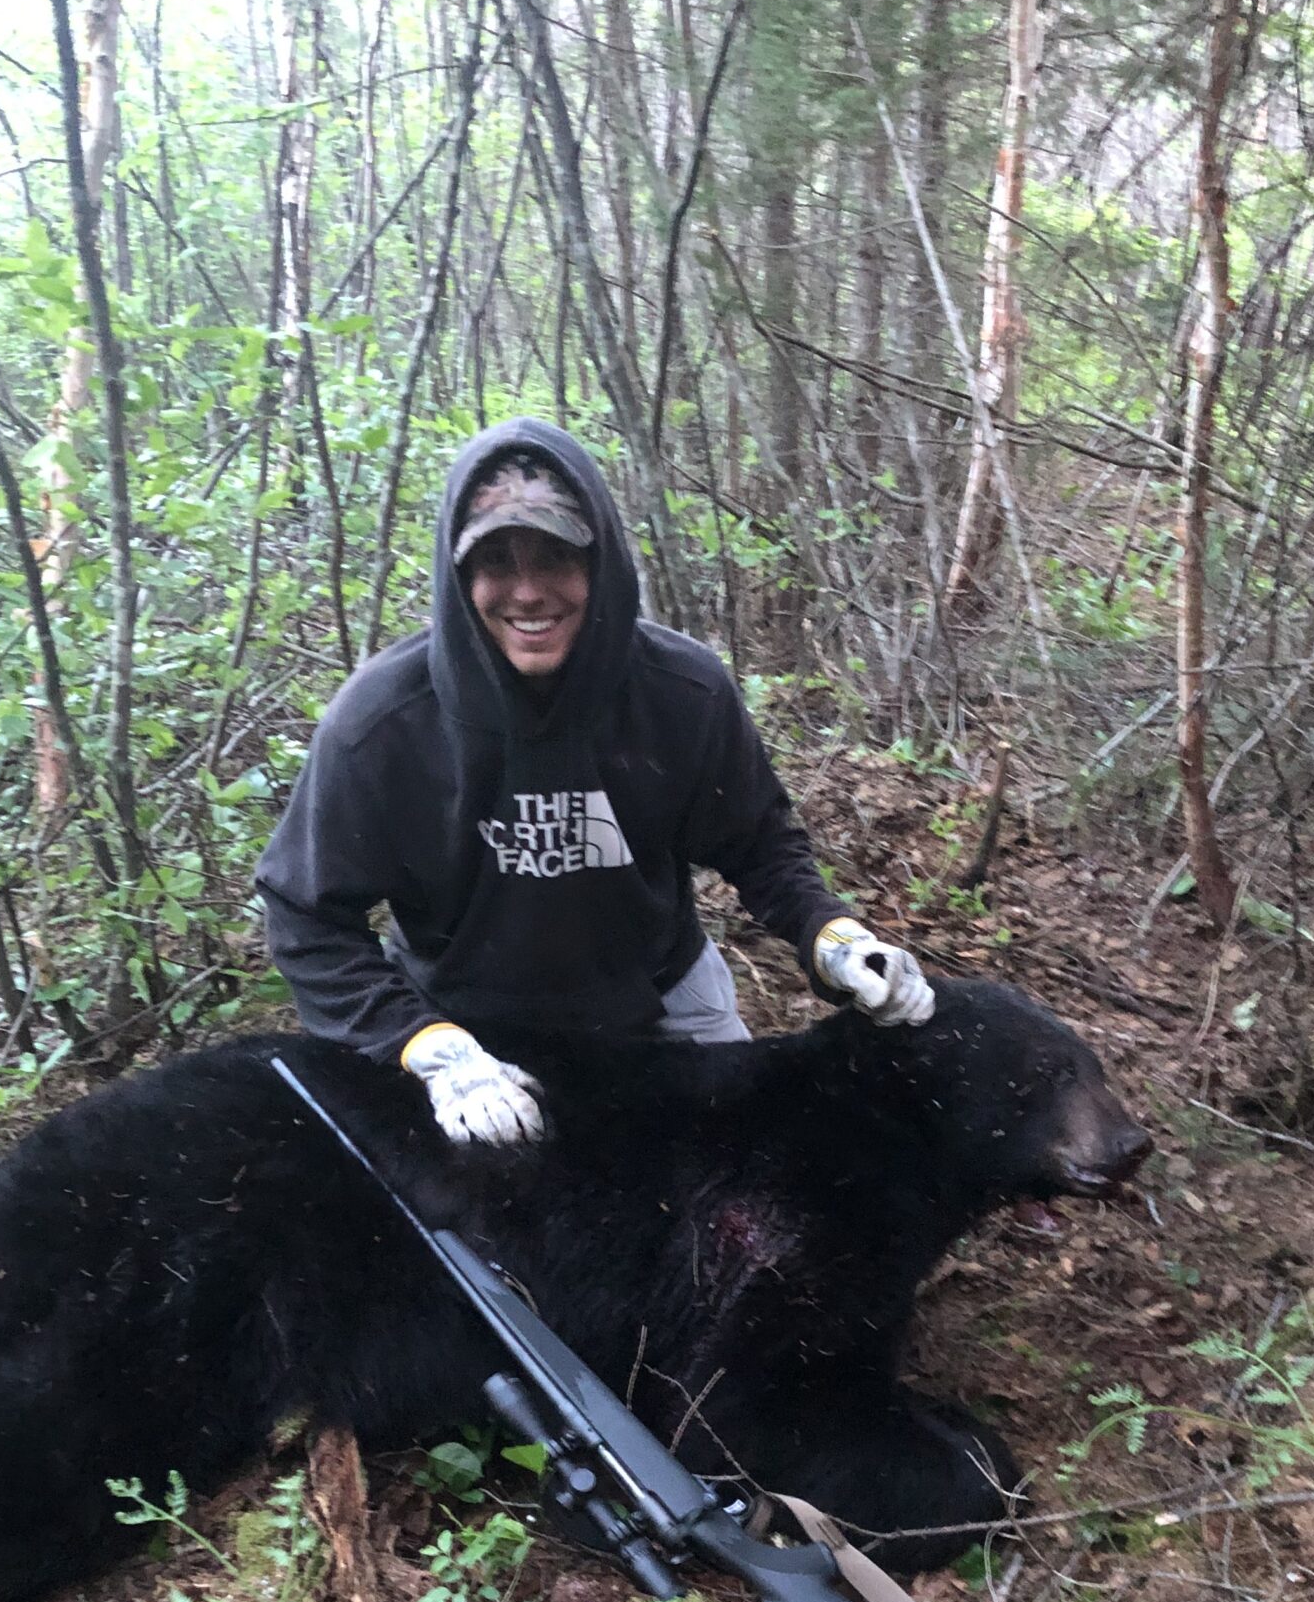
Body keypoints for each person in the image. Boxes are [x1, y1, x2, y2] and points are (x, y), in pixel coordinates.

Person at [257, 416, 933, 1146]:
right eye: (495, 561)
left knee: (753, 1167)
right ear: (459, 579)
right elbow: (305, 917)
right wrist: (423, 1045)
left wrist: (831, 938)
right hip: (460, 1028)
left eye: (555, 555)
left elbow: (760, 846)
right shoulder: (382, 724)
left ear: (600, 561)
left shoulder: (682, 693)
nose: (527, 591)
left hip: (662, 998)